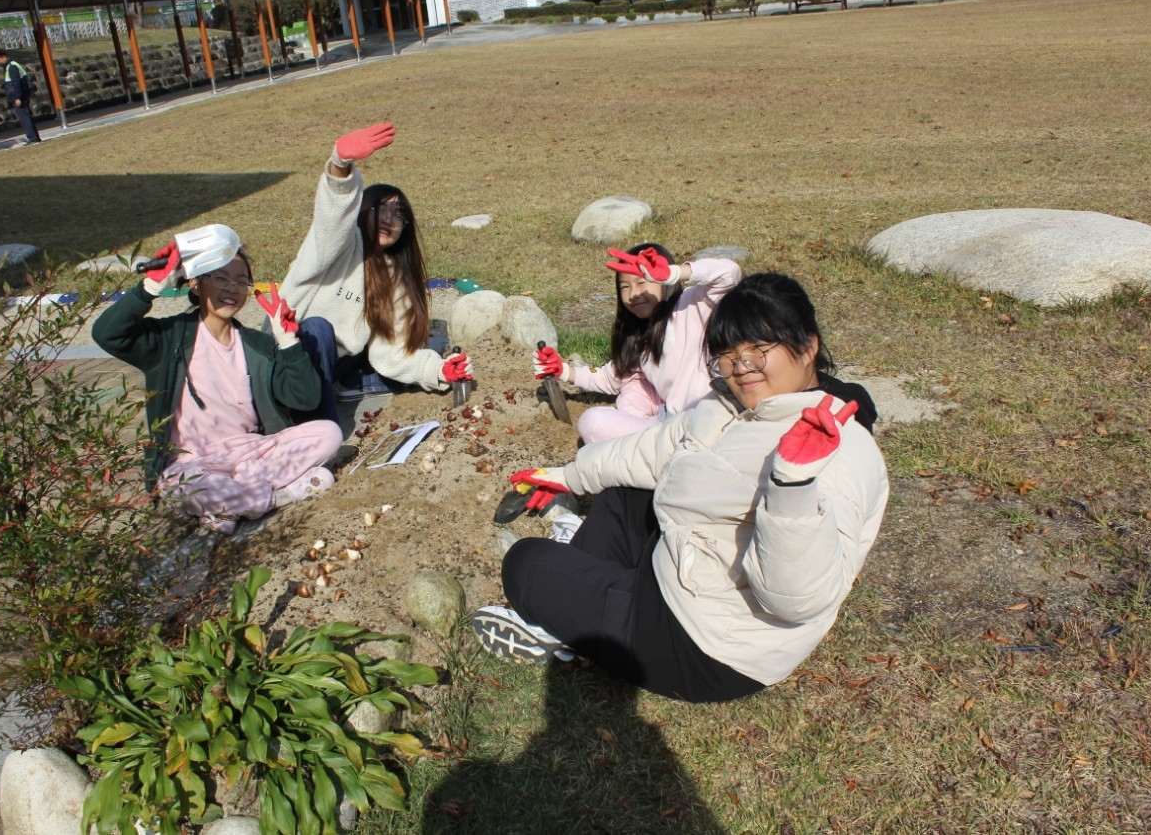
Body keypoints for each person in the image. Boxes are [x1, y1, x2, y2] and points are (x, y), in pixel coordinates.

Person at [474, 273, 888, 703]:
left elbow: (796, 599)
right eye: (727, 353)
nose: (741, 366)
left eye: (759, 349)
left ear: (807, 346)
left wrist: (791, 487)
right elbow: (653, 449)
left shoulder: (834, 447)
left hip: (706, 646)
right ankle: (576, 611)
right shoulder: (731, 403)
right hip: (685, 574)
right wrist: (567, 476)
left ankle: (564, 619)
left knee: (525, 563)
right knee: (624, 494)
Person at [92, 224, 343, 536]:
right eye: (221, 279)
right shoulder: (169, 339)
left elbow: (304, 399)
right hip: (192, 463)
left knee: (329, 433)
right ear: (196, 285)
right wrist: (149, 289)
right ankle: (282, 495)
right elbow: (107, 333)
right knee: (178, 488)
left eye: (241, 281)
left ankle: (229, 505)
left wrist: (289, 343)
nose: (232, 289)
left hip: (253, 454)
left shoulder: (258, 345)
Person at [278, 122, 472, 422]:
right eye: (381, 209)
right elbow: (332, 218)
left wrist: (439, 370)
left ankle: (331, 406)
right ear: (362, 209)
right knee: (319, 328)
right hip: (284, 350)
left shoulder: (395, 278)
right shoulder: (338, 244)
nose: (389, 220)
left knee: (425, 348)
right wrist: (340, 167)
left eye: (399, 215)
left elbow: (391, 352)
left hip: (330, 366)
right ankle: (316, 423)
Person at [534, 243, 741, 443]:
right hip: (670, 424)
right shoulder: (639, 334)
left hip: (710, 421)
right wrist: (563, 371)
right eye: (625, 287)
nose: (633, 294)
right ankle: (644, 448)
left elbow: (729, 274)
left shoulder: (693, 304)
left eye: (642, 282)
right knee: (595, 419)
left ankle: (638, 450)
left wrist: (676, 272)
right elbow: (610, 377)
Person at [0, 49, 42, 146]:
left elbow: (16, 83)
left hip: (19, 96)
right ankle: (35, 137)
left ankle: (33, 138)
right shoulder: (12, 65)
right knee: (26, 116)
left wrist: (17, 97)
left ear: (4, 57)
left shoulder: (12, 67)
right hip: (21, 95)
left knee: (24, 118)